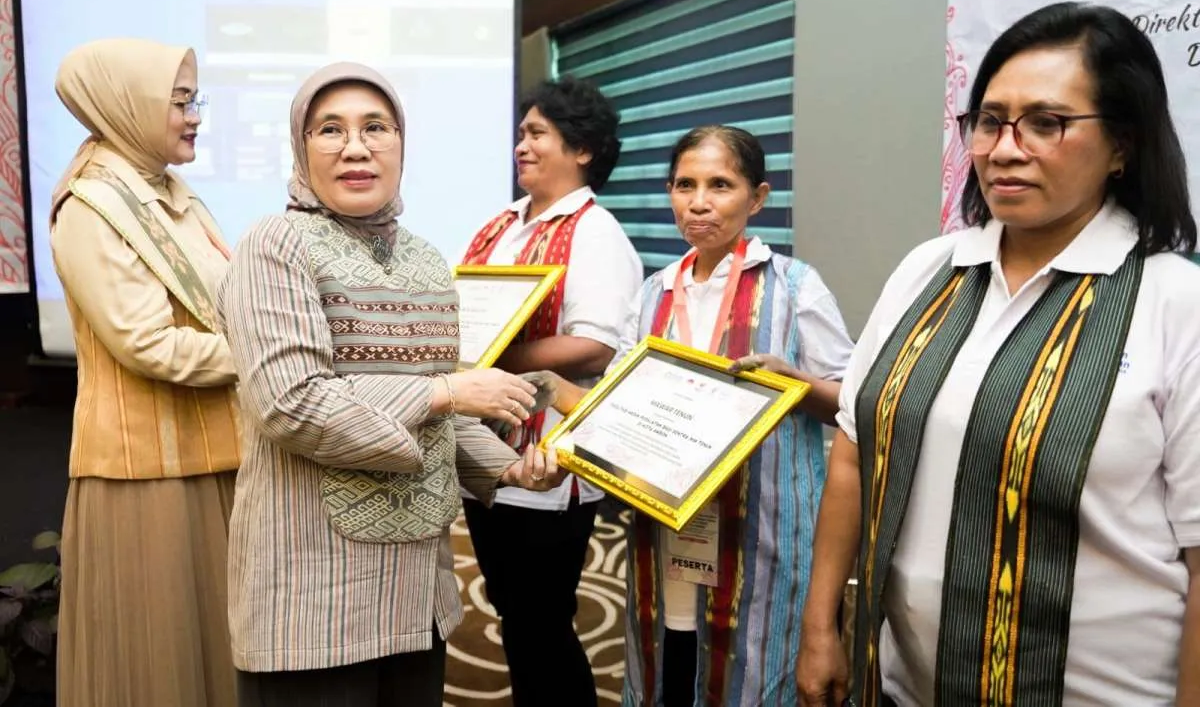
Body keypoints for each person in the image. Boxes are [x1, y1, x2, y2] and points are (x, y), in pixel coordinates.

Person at [796, 2, 1200, 707]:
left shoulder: (1174, 302)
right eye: (990, 120)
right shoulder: (929, 270)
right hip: (905, 688)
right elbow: (857, 451)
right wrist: (819, 623)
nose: (1005, 149)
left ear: (1122, 145)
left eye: (1048, 123)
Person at [218, 61, 566, 707]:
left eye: (375, 127)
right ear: (301, 146)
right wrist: (451, 393)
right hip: (313, 587)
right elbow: (290, 401)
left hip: (415, 588)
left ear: (401, 143)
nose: (356, 147)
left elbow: (441, 401)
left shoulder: (426, 259)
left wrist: (510, 469)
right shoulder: (276, 245)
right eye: (330, 129)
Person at [547, 125, 854, 706]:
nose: (700, 202)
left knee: (756, 671)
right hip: (666, 523)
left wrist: (796, 383)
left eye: (721, 185)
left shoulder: (794, 287)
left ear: (757, 198)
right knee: (672, 653)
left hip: (761, 522)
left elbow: (854, 402)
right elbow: (618, 397)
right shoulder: (656, 291)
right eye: (685, 185)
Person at [49, 38, 240, 707]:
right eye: (180, 101)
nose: (194, 117)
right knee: (162, 669)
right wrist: (266, 357)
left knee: (221, 656)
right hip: (146, 475)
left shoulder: (169, 191)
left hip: (215, 452)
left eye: (195, 100)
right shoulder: (92, 208)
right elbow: (147, 345)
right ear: (127, 104)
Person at [458, 76, 642, 707]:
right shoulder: (503, 223)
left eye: (537, 133)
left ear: (582, 148)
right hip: (484, 446)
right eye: (520, 134)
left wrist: (496, 358)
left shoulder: (596, 233)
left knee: (541, 620)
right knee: (515, 612)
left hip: (547, 456)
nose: (521, 146)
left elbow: (595, 344)